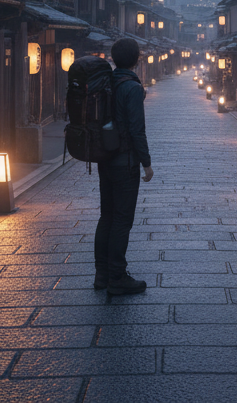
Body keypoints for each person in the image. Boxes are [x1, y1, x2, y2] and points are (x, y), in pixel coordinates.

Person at [94, 38, 154, 295]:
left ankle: (102, 274)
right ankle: (117, 276)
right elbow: (136, 130)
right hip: (125, 161)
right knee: (121, 219)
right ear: (137, 59)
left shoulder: (106, 82)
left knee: (106, 216)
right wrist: (147, 163)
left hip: (105, 159)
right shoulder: (131, 87)